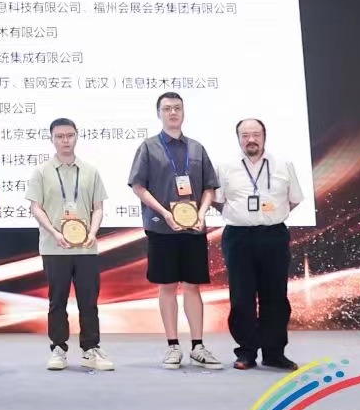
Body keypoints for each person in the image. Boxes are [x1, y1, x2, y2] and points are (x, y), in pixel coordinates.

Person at [128, 92, 223, 370]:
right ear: (159, 113)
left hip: (193, 230)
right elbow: (138, 187)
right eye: (167, 108)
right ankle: (172, 346)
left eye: (177, 108)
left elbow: (209, 187)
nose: (172, 112)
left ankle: (198, 346)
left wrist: (202, 213)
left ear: (183, 112)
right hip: (162, 228)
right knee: (167, 286)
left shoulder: (196, 148)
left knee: (193, 287)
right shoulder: (149, 147)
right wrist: (165, 213)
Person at [216, 118, 304, 371]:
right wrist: (242, 216)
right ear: (238, 138)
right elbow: (217, 200)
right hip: (238, 237)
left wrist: (271, 216)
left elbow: (294, 199)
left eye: (255, 134)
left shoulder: (283, 164)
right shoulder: (225, 167)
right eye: (245, 135)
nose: (251, 140)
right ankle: (246, 352)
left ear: (264, 136)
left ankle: (274, 353)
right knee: (241, 298)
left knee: (275, 296)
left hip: (273, 235)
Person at [27, 117, 112, 372]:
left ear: (76, 136)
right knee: (57, 300)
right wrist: (54, 233)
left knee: (89, 301)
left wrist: (93, 232)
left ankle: (90, 349)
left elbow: (98, 207)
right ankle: (58, 349)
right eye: (60, 136)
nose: (65, 140)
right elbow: (36, 207)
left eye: (69, 135)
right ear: (52, 139)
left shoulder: (90, 171)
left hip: (86, 247)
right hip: (55, 247)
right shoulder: (41, 172)